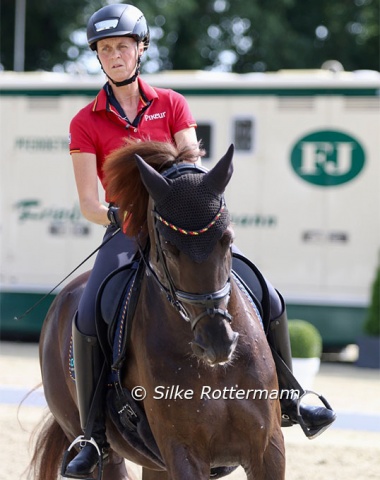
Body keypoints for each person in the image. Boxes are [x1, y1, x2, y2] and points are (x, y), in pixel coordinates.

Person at [64, 4, 335, 478]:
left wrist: (182, 207)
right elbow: (89, 202)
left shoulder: (172, 103)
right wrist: (124, 212)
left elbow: (191, 168)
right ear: (98, 58)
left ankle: (292, 397)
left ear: (140, 49)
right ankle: (91, 433)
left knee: (264, 290)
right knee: (88, 313)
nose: (114, 56)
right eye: (105, 50)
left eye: (122, 47)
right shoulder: (86, 122)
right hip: (128, 232)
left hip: (184, 228)